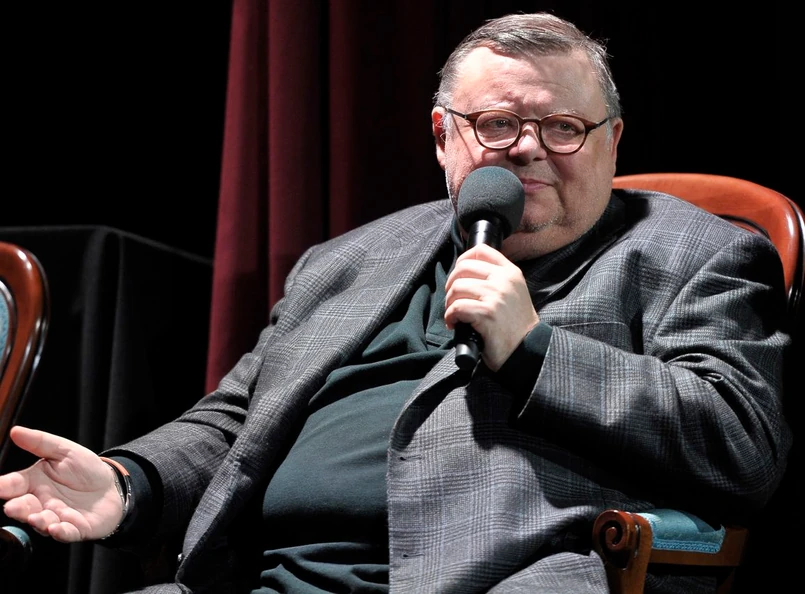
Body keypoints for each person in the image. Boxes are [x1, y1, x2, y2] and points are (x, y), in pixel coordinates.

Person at [0, 12, 793, 594]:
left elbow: (739, 444)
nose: (527, 147)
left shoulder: (694, 251)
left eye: (562, 126)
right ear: (442, 135)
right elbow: (235, 422)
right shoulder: (349, 259)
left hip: (497, 578)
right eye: (497, 123)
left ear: (611, 140)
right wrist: (129, 482)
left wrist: (536, 351)